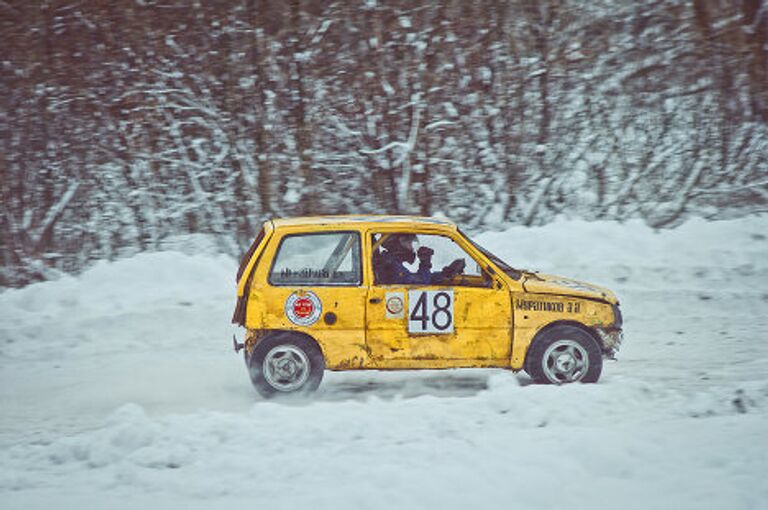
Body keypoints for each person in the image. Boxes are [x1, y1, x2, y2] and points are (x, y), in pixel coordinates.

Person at [374, 234, 465, 285]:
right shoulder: (390, 264)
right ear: (395, 244)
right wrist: (425, 264)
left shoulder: (391, 261)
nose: (411, 247)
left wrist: (444, 274)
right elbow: (420, 285)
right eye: (407, 243)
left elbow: (414, 278)